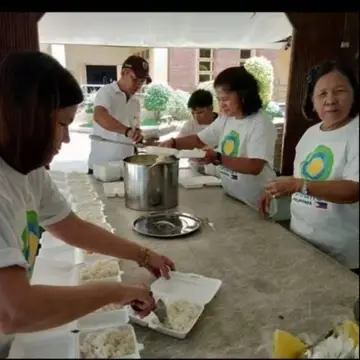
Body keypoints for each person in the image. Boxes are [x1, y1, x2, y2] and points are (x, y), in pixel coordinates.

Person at [0, 51, 175, 355]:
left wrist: (144, 255)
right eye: (62, 124)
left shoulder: (28, 170)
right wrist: (114, 291)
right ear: (27, 117)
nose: (66, 139)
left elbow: (71, 227)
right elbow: (14, 311)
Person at [259, 61, 359, 273]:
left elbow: (354, 190)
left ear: (354, 95)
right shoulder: (310, 134)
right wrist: (277, 189)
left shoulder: (356, 132)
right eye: (322, 94)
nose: (331, 100)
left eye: (339, 91)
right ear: (312, 101)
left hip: (342, 254)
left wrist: (298, 185)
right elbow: (301, 180)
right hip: (301, 241)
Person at [158, 66, 277, 210]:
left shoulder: (261, 123)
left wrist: (217, 158)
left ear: (243, 94)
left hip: (255, 203)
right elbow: (199, 140)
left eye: (226, 99)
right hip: (231, 196)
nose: (222, 106)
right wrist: (172, 143)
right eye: (219, 100)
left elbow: (254, 166)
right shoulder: (226, 119)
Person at [87, 55, 152, 174]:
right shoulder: (106, 92)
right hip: (102, 166)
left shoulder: (135, 102)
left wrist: (137, 134)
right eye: (134, 79)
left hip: (126, 167)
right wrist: (127, 131)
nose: (138, 85)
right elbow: (100, 116)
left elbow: (134, 127)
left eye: (141, 81)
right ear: (123, 73)